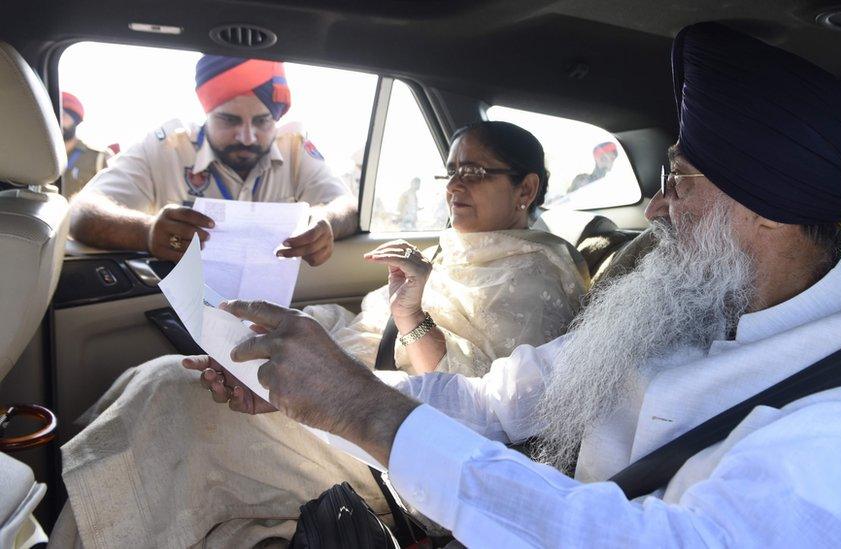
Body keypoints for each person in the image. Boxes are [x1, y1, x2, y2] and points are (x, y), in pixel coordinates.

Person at [140, 22, 841, 547]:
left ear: (770, 203)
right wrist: (324, 390)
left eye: (679, 181)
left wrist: (366, 413)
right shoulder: (680, 304)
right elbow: (502, 400)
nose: (655, 204)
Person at [51, 122, 590, 548]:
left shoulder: (536, 278)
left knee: (169, 393)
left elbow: (473, 423)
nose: (453, 186)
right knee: (156, 378)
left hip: (385, 437)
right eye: (450, 171)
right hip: (356, 383)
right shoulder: (457, 249)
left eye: (474, 172)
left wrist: (406, 320)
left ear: (526, 188)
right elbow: (368, 332)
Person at [69, 55, 358, 266]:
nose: (247, 136)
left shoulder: (294, 149)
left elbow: (346, 205)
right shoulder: (166, 146)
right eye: (229, 120)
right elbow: (82, 211)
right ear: (207, 114)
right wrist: (146, 232)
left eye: (262, 121)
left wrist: (325, 222)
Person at [59, 92, 113, 199]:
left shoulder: (98, 157)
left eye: (63, 115)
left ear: (75, 121)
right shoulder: (42, 154)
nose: (59, 120)